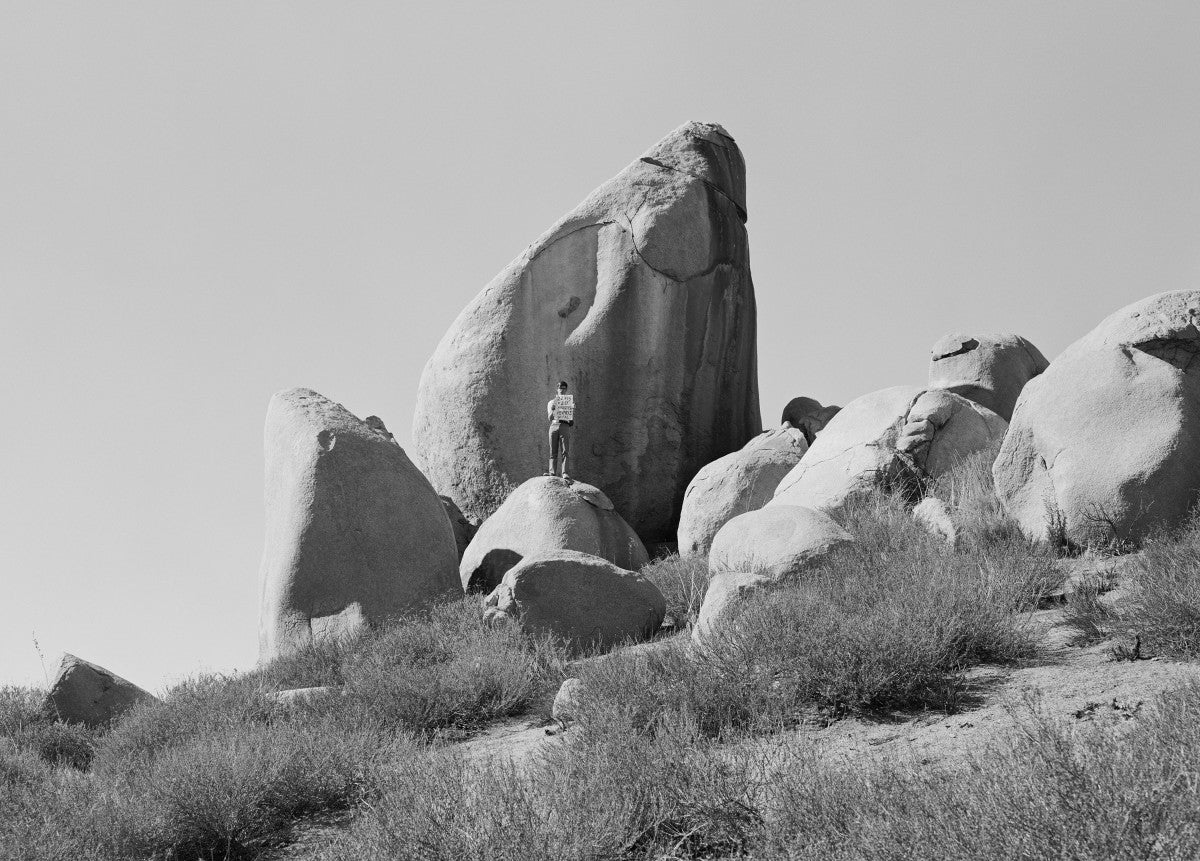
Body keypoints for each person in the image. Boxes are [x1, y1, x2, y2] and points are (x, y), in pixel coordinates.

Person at [545, 381, 574, 479]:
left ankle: (565, 472)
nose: (562, 389)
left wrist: (571, 409)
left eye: (564, 388)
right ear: (557, 389)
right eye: (560, 387)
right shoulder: (551, 402)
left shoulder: (568, 402)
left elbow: (571, 421)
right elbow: (549, 418)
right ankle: (552, 472)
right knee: (553, 450)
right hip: (554, 425)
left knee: (565, 450)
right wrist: (553, 409)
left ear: (566, 389)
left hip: (564, 425)